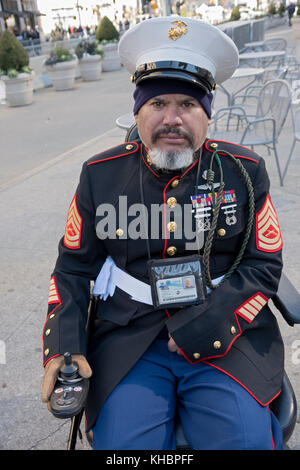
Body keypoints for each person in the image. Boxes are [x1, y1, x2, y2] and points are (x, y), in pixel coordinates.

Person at [41, 17, 284, 450]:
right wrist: (64, 347)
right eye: (157, 104)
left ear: (208, 114)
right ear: (137, 111)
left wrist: (205, 323)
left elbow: (264, 263)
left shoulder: (243, 173)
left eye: (187, 105)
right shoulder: (100, 176)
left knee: (244, 443)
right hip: (130, 337)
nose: (172, 118)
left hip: (225, 334)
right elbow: (73, 269)